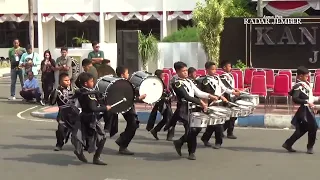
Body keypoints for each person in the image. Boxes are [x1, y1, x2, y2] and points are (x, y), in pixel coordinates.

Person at [170, 61, 218, 160]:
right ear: (177, 72)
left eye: (186, 70)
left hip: (194, 108)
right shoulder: (177, 83)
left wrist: (210, 96)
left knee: (197, 128)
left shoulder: (189, 81)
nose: (186, 72)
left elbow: (198, 92)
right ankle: (191, 152)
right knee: (191, 130)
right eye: (183, 71)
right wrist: (201, 102)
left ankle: (180, 142)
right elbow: (186, 96)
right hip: (184, 110)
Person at [199, 61, 239, 149]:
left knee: (215, 123)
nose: (214, 71)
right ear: (207, 70)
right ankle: (218, 142)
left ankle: (205, 138)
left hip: (219, 103)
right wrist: (219, 97)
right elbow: (207, 93)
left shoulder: (217, 78)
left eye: (215, 69)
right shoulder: (204, 80)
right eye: (212, 69)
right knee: (217, 124)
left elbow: (224, 88)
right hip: (211, 103)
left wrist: (233, 92)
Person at [76, 72, 111, 165]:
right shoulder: (90, 94)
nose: (93, 83)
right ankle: (96, 158)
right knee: (102, 137)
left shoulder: (80, 91)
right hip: (91, 117)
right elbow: (93, 108)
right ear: (85, 83)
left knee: (86, 136)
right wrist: (105, 108)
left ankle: (79, 150)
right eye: (91, 81)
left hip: (83, 116)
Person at [282, 66, 319, 154]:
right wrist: (307, 101)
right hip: (304, 110)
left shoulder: (306, 84)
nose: (307, 77)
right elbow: (295, 99)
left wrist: (317, 98)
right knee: (313, 127)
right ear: (300, 76)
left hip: (308, 109)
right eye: (306, 76)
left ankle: (288, 143)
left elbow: (310, 98)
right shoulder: (298, 86)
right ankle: (310, 147)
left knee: (303, 129)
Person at [115, 66, 146, 155]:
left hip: (128, 106)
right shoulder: (121, 84)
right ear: (122, 75)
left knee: (133, 124)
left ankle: (122, 140)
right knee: (133, 124)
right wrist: (139, 98)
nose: (128, 74)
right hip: (126, 107)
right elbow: (126, 98)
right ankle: (123, 145)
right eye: (127, 73)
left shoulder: (124, 82)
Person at [49, 73, 78, 151]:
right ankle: (59, 144)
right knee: (61, 130)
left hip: (73, 112)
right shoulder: (57, 91)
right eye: (65, 80)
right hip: (63, 113)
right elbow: (51, 103)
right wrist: (53, 95)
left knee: (78, 129)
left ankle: (83, 145)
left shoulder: (74, 89)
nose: (68, 82)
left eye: (68, 80)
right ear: (60, 82)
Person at [147, 69, 175, 141]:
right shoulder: (157, 83)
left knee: (166, 118)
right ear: (159, 75)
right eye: (162, 75)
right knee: (171, 118)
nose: (164, 77)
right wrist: (166, 96)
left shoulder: (159, 82)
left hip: (163, 103)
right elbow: (158, 93)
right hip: (162, 103)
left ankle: (155, 130)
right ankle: (169, 136)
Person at [220, 61, 241, 139]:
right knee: (231, 115)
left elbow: (231, 86)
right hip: (227, 96)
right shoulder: (222, 77)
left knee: (233, 116)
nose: (230, 68)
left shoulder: (230, 75)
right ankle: (228, 132)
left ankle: (222, 130)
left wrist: (237, 90)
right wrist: (234, 91)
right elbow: (226, 87)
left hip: (232, 96)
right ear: (224, 67)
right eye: (229, 66)